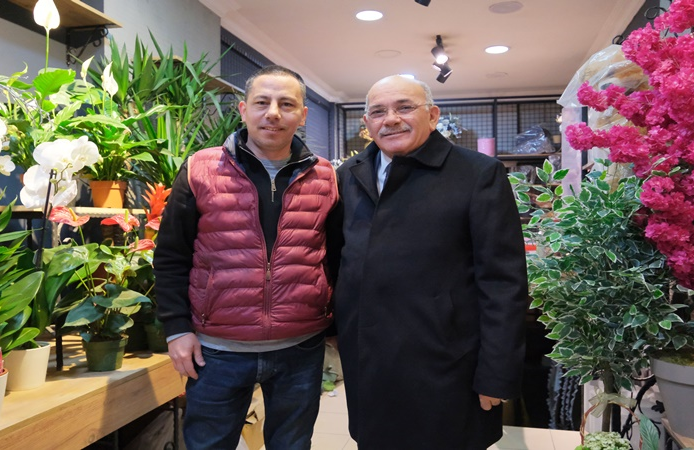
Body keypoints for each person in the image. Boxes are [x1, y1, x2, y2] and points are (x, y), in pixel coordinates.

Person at [331, 75, 529, 449]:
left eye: (404, 107)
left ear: (433, 115)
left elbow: (504, 282)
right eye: (378, 112)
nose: (391, 119)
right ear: (367, 124)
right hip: (370, 360)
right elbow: (338, 259)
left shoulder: (477, 174)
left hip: (447, 360)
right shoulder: (348, 175)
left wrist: (497, 373)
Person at [154, 65, 339, 450]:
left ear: (303, 115)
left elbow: (334, 257)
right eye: (262, 102)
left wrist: (337, 324)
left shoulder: (324, 177)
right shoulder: (200, 169)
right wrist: (176, 328)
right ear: (243, 109)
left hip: (300, 348)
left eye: (286, 104)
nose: (273, 113)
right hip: (216, 350)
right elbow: (172, 255)